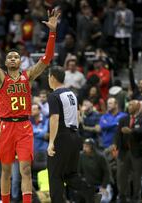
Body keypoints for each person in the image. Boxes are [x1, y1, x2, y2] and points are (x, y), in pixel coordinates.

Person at [0, 7, 60, 203]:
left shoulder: (28, 76)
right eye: (10, 57)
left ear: (20, 61)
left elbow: (47, 59)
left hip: (23, 126)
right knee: (6, 170)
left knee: (25, 169)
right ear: (6, 62)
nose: (13, 58)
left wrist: (52, 32)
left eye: (16, 56)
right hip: (5, 125)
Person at [47, 66, 94, 203]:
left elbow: (54, 118)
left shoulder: (54, 95)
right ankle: (90, 192)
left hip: (62, 137)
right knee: (69, 174)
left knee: (55, 176)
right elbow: (79, 116)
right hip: (75, 136)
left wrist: (51, 143)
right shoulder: (72, 94)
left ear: (52, 78)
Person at [113, 100, 142, 202]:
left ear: (138, 106)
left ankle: (135, 198)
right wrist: (116, 145)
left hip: (137, 152)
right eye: (128, 105)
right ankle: (123, 196)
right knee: (121, 176)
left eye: (131, 105)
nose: (129, 107)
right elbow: (118, 133)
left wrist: (131, 131)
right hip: (124, 151)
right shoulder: (123, 119)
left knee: (137, 176)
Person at [78, 138, 112, 203]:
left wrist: (104, 187)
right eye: (84, 146)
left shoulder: (100, 157)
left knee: (103, 200)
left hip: (101, 185)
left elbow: (107, 172)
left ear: (92, 147)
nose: (84, 148)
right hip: (89, 185)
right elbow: (79, 171)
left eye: (86, 146)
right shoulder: (81, 156)